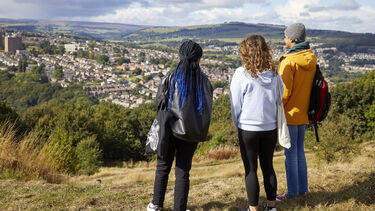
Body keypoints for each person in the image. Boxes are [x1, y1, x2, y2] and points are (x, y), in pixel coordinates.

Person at [147, 40, 213, 211]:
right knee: (183, 171)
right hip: (191, 132)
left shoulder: (170, 77)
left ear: (180, 56)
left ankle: (156, 204)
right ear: (199, 59)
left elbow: (159, 104)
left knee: (163, 167)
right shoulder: (204, 81)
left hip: (168, 130)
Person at [230, 35, 281, 211]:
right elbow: (279, 100)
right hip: (270, 126)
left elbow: (235, 103)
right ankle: (272, 206)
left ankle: (253, 208)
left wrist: (237, 122)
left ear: (245, 51)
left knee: (251, 169)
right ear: (266, 50)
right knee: (268, 167)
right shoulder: (275, 74)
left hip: (247, 128)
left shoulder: (241, 73)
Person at [276, 23, 317, 201]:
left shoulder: (289, 61)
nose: (284, 39)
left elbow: (284, 93)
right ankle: (302, 190)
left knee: (290, 155)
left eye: (285, 37)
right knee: (300, 152)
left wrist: (274, 107)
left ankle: (292, 193)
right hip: (304, 113)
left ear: (292, 39)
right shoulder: (311, 58)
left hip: (290, 114)